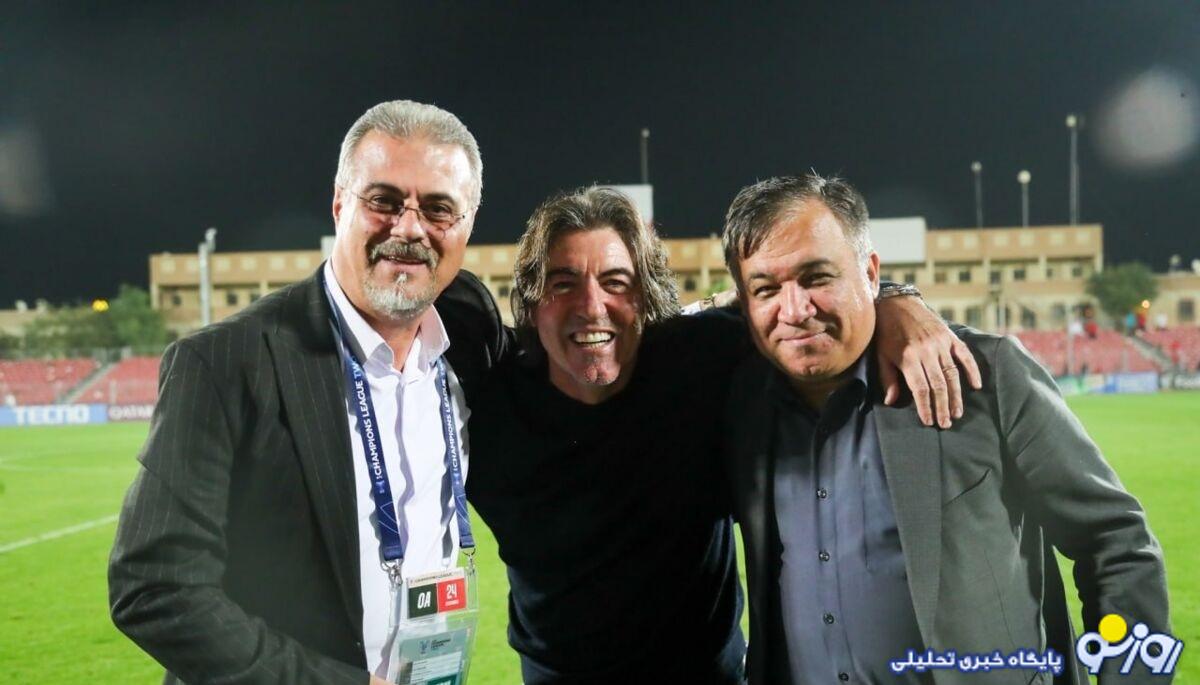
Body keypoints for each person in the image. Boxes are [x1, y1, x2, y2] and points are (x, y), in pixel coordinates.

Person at [465, 186, 981, 683]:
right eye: (563, 284)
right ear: (531, 302)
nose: (592, 306)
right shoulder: (489, 400)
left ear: (646, 300)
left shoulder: (703, 357)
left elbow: (793, 298)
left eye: (617, 282)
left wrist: (894, 299)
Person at [108, 100, 508, 684]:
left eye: (438, 209)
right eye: (383, 200)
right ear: (340, 204)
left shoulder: (469, 346)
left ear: (467, 225)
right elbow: (155, 586)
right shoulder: (226, 362)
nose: (409, 228)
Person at [720, 174, 1169, 684]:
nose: (796, 310)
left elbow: (1115, 542)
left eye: (818, 277)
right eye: (766, 289)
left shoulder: (982, 375)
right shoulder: (740, 405)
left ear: (870, 273)